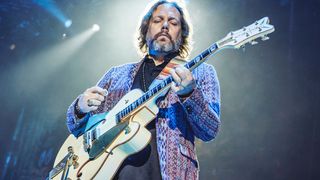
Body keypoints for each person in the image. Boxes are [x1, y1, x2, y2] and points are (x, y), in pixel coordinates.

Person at [66, 0, 221, 179]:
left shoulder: (200, 71)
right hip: (106, 172)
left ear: (182, 34)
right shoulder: (116, 74)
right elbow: (76, 128)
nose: (164, 26)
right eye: (158, 20)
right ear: (146, 28)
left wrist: (189, 93)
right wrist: (80, 108)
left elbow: (210, 130)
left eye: (173, 22)